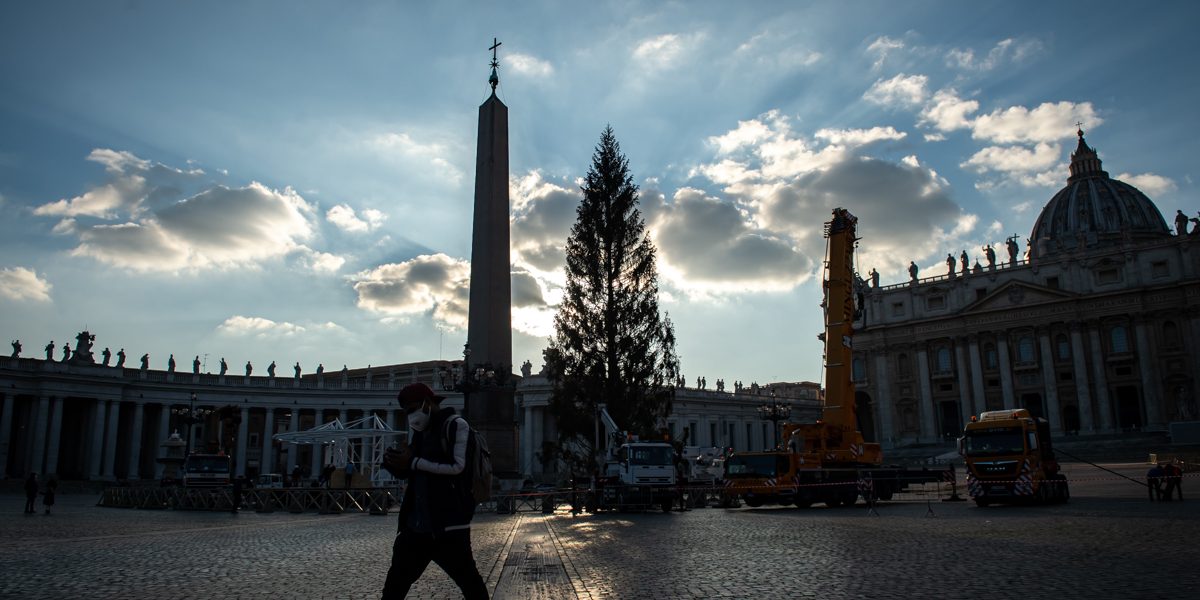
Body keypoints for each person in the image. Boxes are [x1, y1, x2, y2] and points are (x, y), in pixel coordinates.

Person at [380, 382, 487, 599]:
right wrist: (394, 463)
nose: (410, 416)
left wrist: (413, 462)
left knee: (471, 585)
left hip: (448, 526)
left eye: (412, 409)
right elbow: (414, 471)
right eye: (406, 412)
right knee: (393, 588)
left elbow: (458, 467)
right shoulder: (421, 431)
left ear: (427, 403)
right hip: (416, 526)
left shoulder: (457, 426)